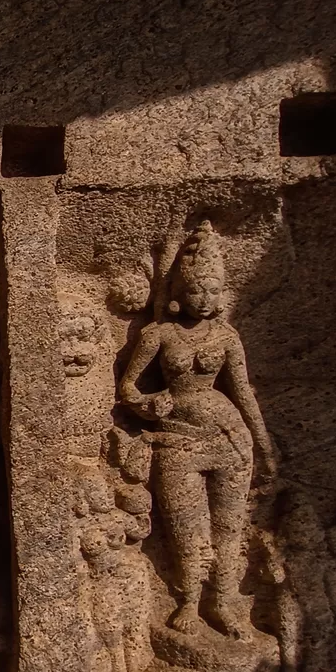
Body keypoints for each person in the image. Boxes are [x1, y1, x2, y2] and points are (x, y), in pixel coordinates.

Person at [118, 221, 277, 638]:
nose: (204, 300)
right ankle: (188, 599)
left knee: (228, 527)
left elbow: (243, 391)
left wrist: (263, 443)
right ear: (177, 295)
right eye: (195, 291)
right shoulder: (157, 335)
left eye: (212, 291)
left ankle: (222, 601)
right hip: (177, 438)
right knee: (187, 528)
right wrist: (148, 405)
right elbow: (128, 387)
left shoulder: (226, 336)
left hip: (228, 437)